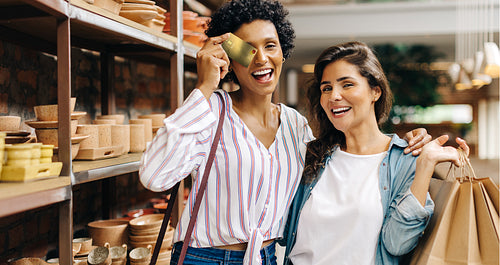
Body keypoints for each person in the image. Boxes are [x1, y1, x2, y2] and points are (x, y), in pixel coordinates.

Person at [139, 1, 429, 264]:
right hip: (204, 258)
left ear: (283, 51)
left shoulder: (295, 125)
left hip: (267, 258)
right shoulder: (212, 112)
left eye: (270, 46)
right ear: (229, 59)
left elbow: (348, 158)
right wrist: (204, 87)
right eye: (247, 50)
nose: (261, 59)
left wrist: (404, 143)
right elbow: (154, 175)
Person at [279, 41, 470, 265]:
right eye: (326, 88)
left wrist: (426, 164)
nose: (334, 96)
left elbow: (397, 243)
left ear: (375, 91)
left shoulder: (405, 160)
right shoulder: (308, 155)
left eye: (347, 84)